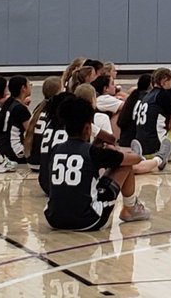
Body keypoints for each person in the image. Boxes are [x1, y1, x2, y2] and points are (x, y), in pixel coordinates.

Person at [42, 96, 150, 229]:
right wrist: (127, 153)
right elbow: (135, 159)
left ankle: (130, 207)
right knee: (125, 166)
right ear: (88, 128)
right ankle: (130, 207)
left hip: (53, 218)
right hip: (87, 220)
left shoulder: (55, 149)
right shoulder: (93, 152)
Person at [130, 67, 171, 168]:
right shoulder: (164, 96)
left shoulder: (147, 96)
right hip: (158, 146)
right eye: (170, 83)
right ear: (164, 81)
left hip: (143, 143)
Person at [0, 76, 32, 162]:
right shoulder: (21, 109)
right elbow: (31, 131)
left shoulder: (7, 103)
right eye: (29, 85)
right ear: (23, 88)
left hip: (1, 150)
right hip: (15, 152)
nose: (31, 87)